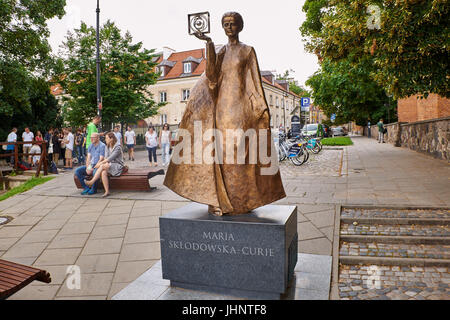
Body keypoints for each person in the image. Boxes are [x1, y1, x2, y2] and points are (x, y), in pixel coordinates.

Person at [164, 12, 285, 216]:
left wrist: (261, 108)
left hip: (240, 108)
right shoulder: (219, 52)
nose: (229, 27)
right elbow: (211, 77)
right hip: (221, 109)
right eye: (226, 24)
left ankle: (242, 200)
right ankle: (219, 199)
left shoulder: (247, 51)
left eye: (233, 24)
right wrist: (209, 43)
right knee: (220, 152)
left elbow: (255, 82)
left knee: (240, 153)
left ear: (240, 26)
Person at [85, 132, 124, 197]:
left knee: (102, 166)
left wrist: (100, 164)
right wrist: (102, 164)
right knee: (103, 172)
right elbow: (106, 158)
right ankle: (107, 191)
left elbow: (110, 158)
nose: (105, 140)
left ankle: (92, 182)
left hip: (118, 166)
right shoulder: (107, 146)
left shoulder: (118, 147)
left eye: (106, 138)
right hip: (109, 164)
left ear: (111, 139)